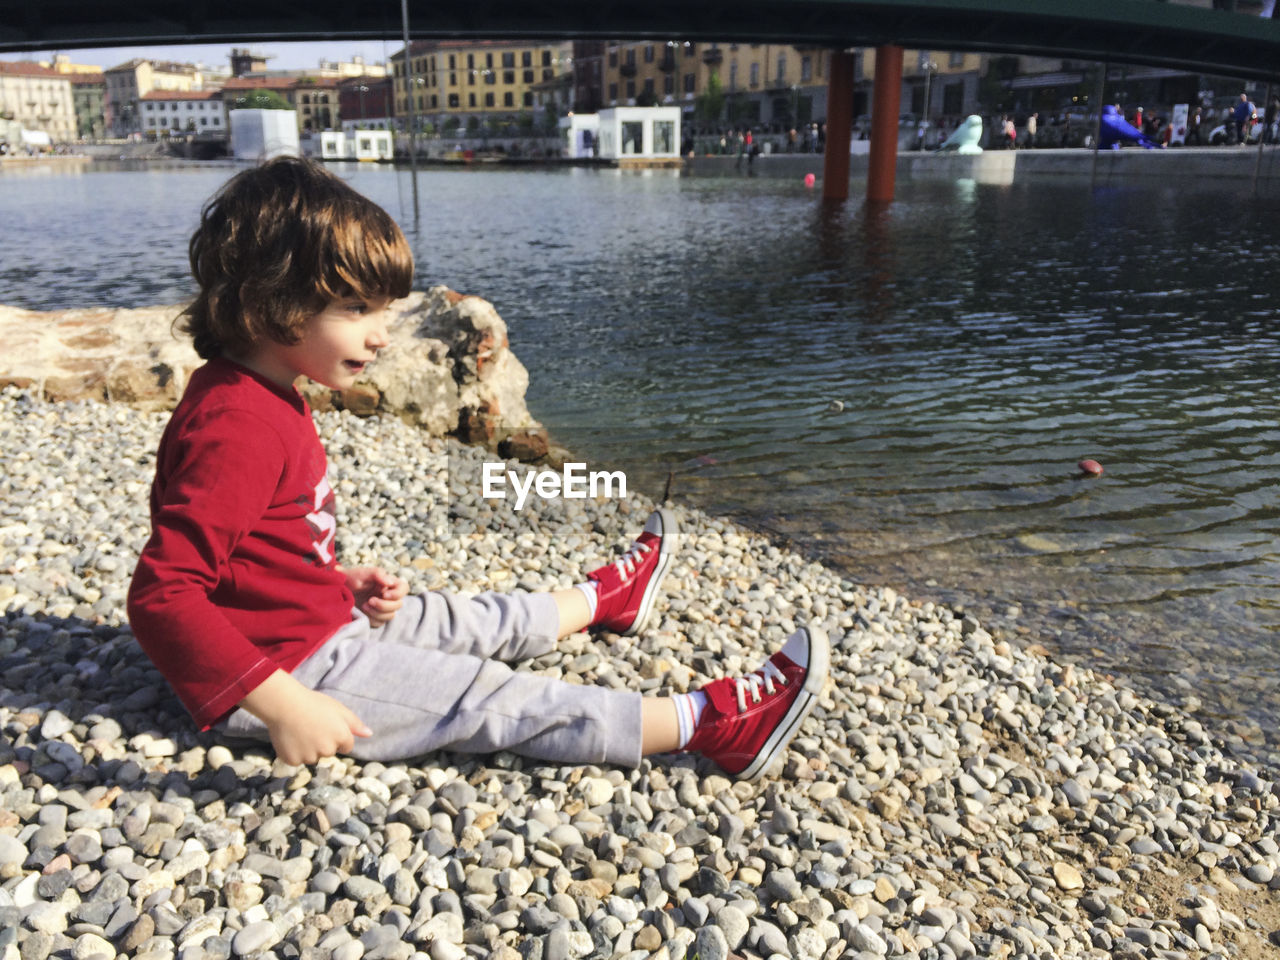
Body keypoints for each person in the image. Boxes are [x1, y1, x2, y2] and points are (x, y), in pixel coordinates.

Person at [126, 157, 829, 778]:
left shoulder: (261, 394)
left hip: (312, 625)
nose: (380, 333)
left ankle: (599, 603)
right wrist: (283, 705)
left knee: (457, 617)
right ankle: (709, 726)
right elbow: (165, 595)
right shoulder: (236, 426)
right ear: (269, 301)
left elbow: (240, 550)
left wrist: (326, 578)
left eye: (386, 310)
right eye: (356, 308)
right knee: (483, 698)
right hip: (293, 671)